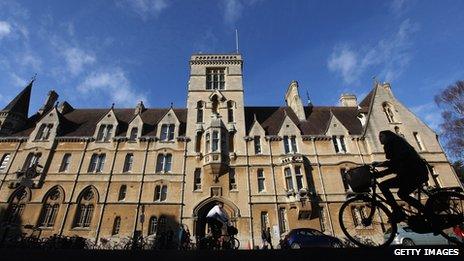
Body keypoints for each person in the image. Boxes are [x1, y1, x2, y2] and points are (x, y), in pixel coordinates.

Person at [375, 130, 430, 222]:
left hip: (413, 173)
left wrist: (380, 173)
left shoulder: (392, 144)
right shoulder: (399, 144)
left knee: (383, 186)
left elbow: (396, 165)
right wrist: (380, 165)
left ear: (388, 136)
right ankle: (428, 213)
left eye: (381, 136)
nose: (379, 139)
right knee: (402, 194)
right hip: (416, 173)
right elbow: (396, 163)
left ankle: (397, 211)